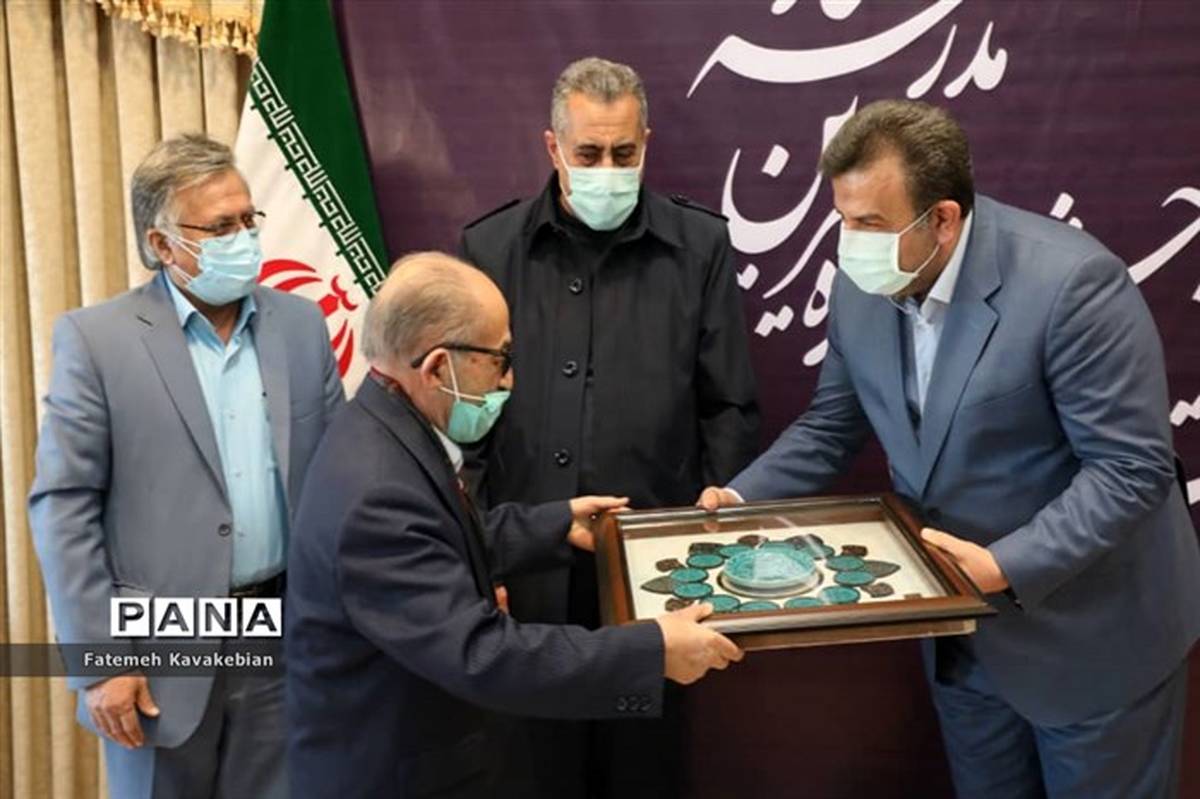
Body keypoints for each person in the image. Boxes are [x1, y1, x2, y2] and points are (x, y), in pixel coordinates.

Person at [699, 99, 1200, 799]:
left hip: (1092, 641)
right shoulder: (860, 288)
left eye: (871, 224)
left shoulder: (1073, 285)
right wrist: (737, 500)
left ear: (942, 219)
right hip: (963, 641)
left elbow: (1130, 469)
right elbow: (831, 425)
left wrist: (1003, 565)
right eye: (842, 219)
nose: (849, 244)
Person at [285, 251, 742, 798]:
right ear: (437, 368)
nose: (510, 378)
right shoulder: (378, 491)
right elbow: (483, 655)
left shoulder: (381, 426)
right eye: (500, 359)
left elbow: (437, 543)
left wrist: (554, 525)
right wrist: (651, 651)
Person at [459, 55, 760, 797]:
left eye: (624, 153)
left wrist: (703, 550)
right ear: (553, 147)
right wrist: (482, 558)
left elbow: (728, 407)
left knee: (642, 771)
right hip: (528, 572)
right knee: (535, 771)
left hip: (655, 577)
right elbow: (467, 425)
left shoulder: (699, 245)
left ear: (646, 143)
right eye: (588, 153)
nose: (607, 169)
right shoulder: (490, 249)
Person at [28, 133, 344, 798]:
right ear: (163, 245)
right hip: (155, 656)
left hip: (284, 643)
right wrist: (100, 660)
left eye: (248, 220)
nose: (244, 238)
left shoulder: (300, 325)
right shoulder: (98, 340)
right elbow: (63, 507)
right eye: (221, 227)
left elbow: (342, 482)